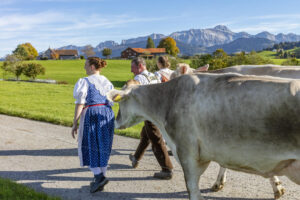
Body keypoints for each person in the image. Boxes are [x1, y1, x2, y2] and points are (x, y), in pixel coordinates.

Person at [71, 57, 114, 193]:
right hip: (107, 114)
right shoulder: (107, 81)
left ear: (92, 67)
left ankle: (99, 176)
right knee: (103, 146)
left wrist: (74, 122)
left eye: (86, 65)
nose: (84, 68)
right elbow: (113, 100)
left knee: (89, 145)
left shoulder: (84, 81)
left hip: (93, 114)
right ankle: (100, 178)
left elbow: (80, 103)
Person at [129, 57, 174, 180]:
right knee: (146, 135)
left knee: (156, 139)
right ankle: (136, 158)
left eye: (133, 67)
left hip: (149, 112)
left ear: (139, 66)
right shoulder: (155, 76)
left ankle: (167, 169)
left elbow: (137, 97)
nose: (131, 70)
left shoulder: (139, 79)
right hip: (159, 109)